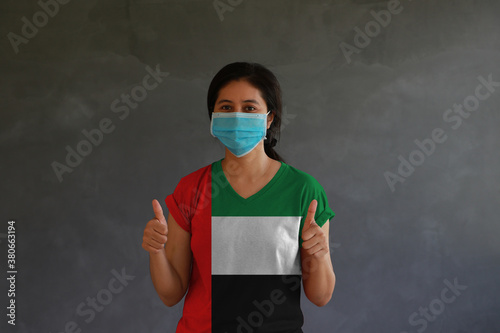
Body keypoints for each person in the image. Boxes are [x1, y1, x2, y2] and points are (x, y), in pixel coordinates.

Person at [142, 62, 336, 333]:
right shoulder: (192, 189)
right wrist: (156, 252)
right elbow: (170, 294)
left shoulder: (304, 191)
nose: (236, 116)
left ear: (269, 118)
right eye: (225, 107)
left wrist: (320, 254)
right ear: (213, 116)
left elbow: (320, 296)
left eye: (249, 108)